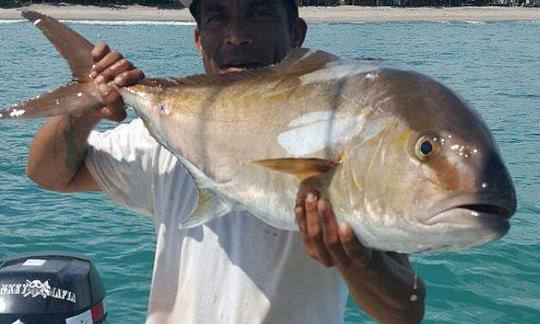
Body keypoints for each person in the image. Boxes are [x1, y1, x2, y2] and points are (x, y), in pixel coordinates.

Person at [26, 0, 425, 323]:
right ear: (199, 39)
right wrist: (87, 108)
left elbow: (404, 310)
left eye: (259, 12)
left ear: (297, 33)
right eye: (218, 16)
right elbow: (48, 173)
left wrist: (355, 259)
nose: (237, 37)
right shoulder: (162, 139)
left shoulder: (343, 142)